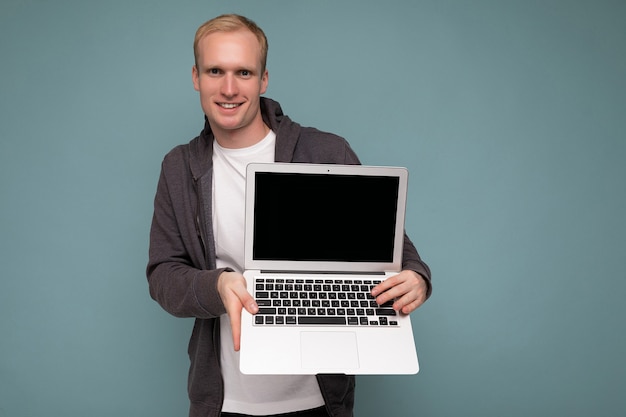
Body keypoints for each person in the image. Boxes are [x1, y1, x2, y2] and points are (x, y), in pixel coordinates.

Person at [147, 13, 432, 417]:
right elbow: (162, 276)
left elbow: (395, 250)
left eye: (243, 72)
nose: (229, 88)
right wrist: (219, 286)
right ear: (196, 76)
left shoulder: (326, 153)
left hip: (318, 399)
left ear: (263, 80)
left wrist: (417, 277)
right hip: (224, 401)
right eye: (216, 71)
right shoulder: (179, 167)